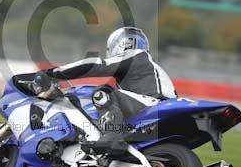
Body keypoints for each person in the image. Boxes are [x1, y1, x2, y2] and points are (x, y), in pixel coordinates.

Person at [36, 27, 177, 155]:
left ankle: (112, 136)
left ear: (120, 44)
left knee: (103, 93)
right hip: (160, 112)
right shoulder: (147, 67)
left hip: (154, 105)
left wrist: (53, 73)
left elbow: (96, 65)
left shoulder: (136, 55)